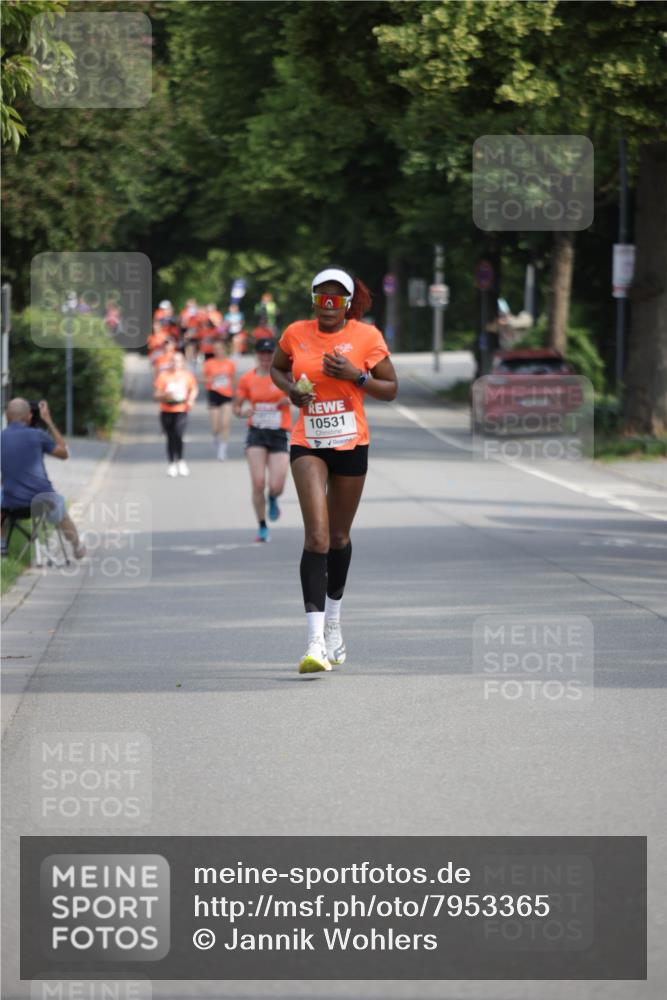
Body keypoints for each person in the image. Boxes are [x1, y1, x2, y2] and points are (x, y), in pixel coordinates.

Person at [270, 267, 398, 673]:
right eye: (322, 298)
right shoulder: (295, 333)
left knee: (340, 537)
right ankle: (313, 642)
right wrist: (291, 390)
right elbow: (277, 368)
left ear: (347, 302)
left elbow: (390, 389)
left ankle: (334, 625)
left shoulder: (367, 336)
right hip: (308, 441)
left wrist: (357, 376)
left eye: (336, 298)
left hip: (351, 443)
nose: (328, 305)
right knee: (318, 537)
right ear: (313, 300)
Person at [1, 399, 86, 559]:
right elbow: (64, 453)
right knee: (60, 509)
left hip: (13, 505)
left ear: (6, 415)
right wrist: (48, 421)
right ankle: (77, 547)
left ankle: (2, 547)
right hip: (43, 503)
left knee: (1, 497)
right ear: (29, 416)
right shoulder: (38, 435)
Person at [234, 337, 291, 542]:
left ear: (275, 355)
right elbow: (236, 408)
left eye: (269, 353)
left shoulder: (284, 376)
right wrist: (242, 412)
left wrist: (290, 398)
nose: (266, 357)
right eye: (262, 353)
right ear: (256, 355)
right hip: (256, 433)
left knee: (277, 485)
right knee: (258, 483)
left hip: (279, 433)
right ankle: (262, 526)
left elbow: (301, 393)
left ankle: (273, 497)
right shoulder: (247, 379)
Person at [153, 352, 198, 477]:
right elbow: (156, 395)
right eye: (173, 360)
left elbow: (194, 389)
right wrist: (166, 395)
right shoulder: (163, 376)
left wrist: (191, 399)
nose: (175, 363)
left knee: (179, 434)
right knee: (170, 437)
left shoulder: (187, 375)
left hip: (181, 409)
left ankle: (181, 460)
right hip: (166, 410)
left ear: (182, 362)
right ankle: (171, 463)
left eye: (178, 361)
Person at [202, 338, 236, 460]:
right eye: (215, 349)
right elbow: (203, 379)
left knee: (225, 423)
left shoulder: (230, 363)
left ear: (225, 349)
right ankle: (216, 438)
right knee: (215, 426)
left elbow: (233, 379)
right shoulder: (208, 363)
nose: (218, 351)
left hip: (227, 395)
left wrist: (236, 393)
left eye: (220, 348)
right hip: (214, 393)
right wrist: (212, 379)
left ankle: (223, 449)